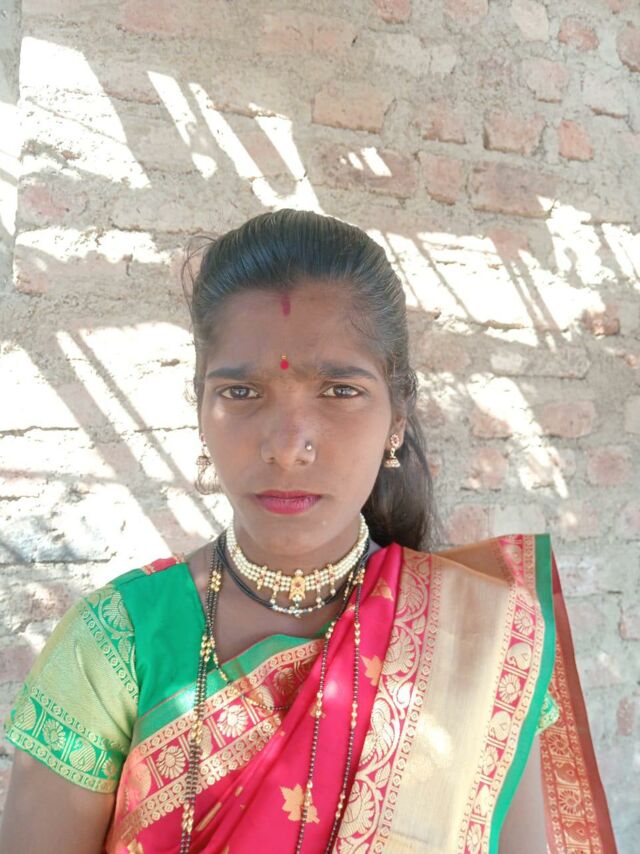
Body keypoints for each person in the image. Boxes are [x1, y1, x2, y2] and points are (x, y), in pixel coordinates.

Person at [0, 209, 616, 853]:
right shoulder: (114, 644)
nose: (288, 447)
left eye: (339, 391)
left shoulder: (482, 637)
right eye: (242, 393)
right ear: (201, 408)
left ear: (397, 416)